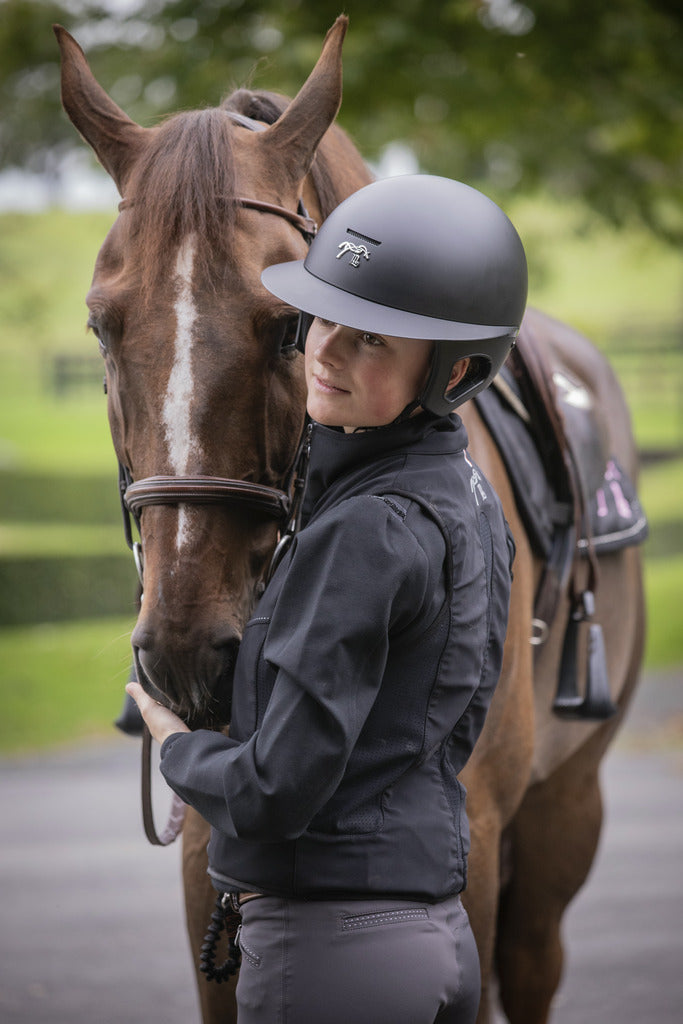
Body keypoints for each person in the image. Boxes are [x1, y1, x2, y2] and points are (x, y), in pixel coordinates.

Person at [127, 174, 527, 1023]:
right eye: (322, 317)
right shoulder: (469, 496)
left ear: (453, 371)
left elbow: (274, 793)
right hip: (432, 935)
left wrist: (174, 744)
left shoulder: (363, 533)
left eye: (375, 339)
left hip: (334, 954)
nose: (328, 349)